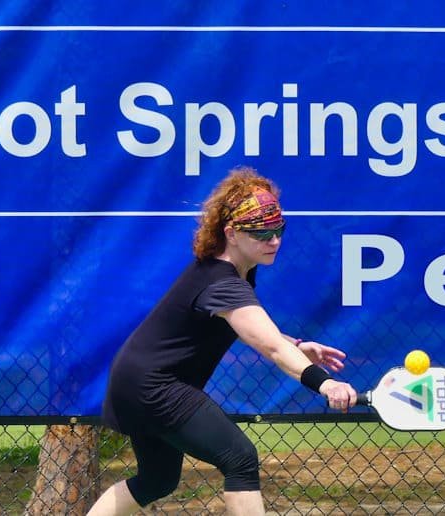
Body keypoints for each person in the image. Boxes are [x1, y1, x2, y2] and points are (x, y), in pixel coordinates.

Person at [88, 166, 357, 516]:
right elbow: (271, 347)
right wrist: (326, 385)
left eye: (278, 229)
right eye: (261, 232)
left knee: (157, 480)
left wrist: (297, 345)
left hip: (132, 380)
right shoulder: (223, 282)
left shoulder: (235, 271)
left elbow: (253, 330)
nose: (274, 240)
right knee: (239, 458)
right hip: (156, 386)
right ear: (231, 233)